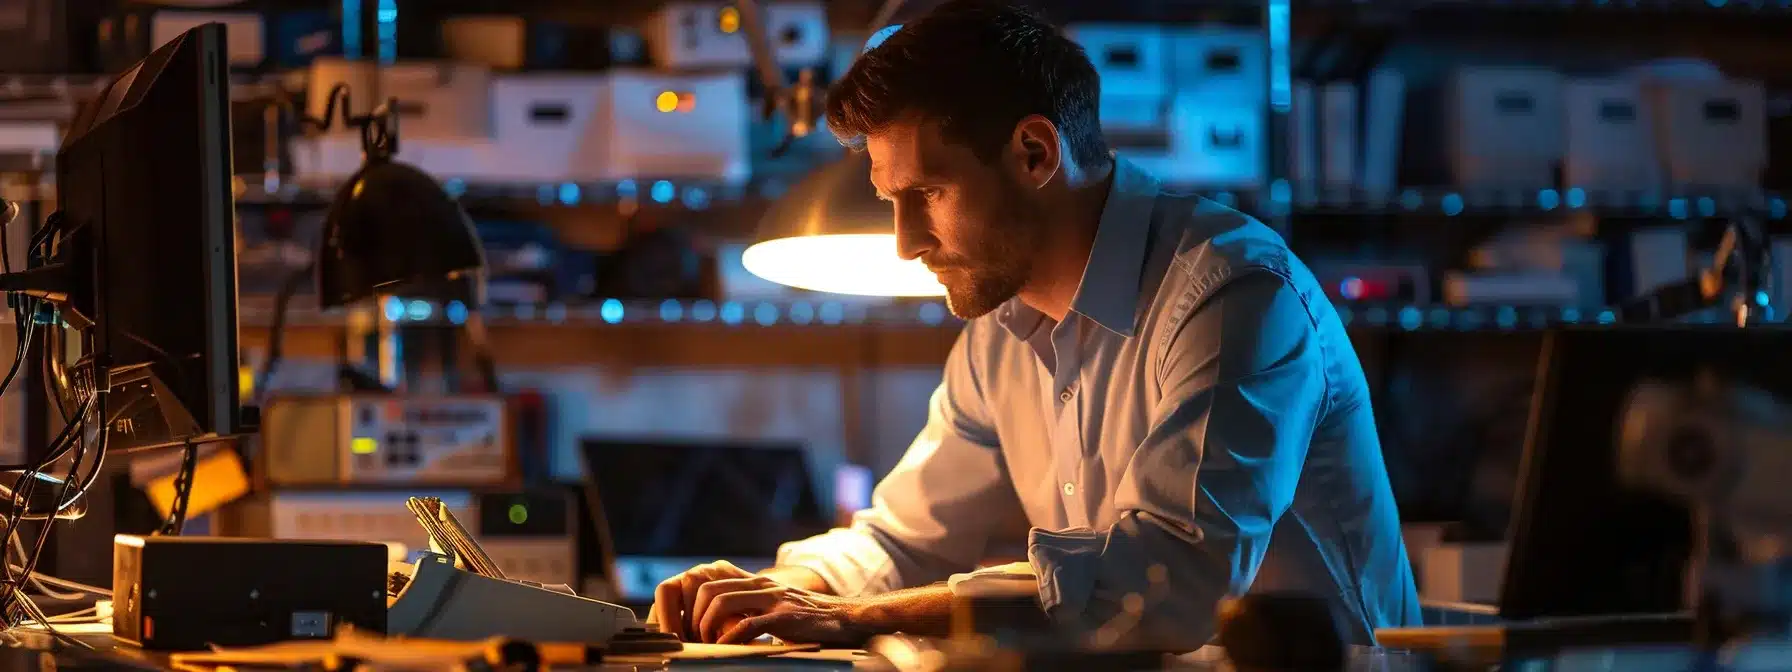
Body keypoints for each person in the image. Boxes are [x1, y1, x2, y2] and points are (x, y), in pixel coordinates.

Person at [647, 0, 1421, 651]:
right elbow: (904, 537)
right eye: (891, 201)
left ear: (1034, 151)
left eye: (931, 193)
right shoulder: (1001, 331)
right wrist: (779, 588)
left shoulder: (1234, 292)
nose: (908, 243)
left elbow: (1175, 583)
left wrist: (850, 618)